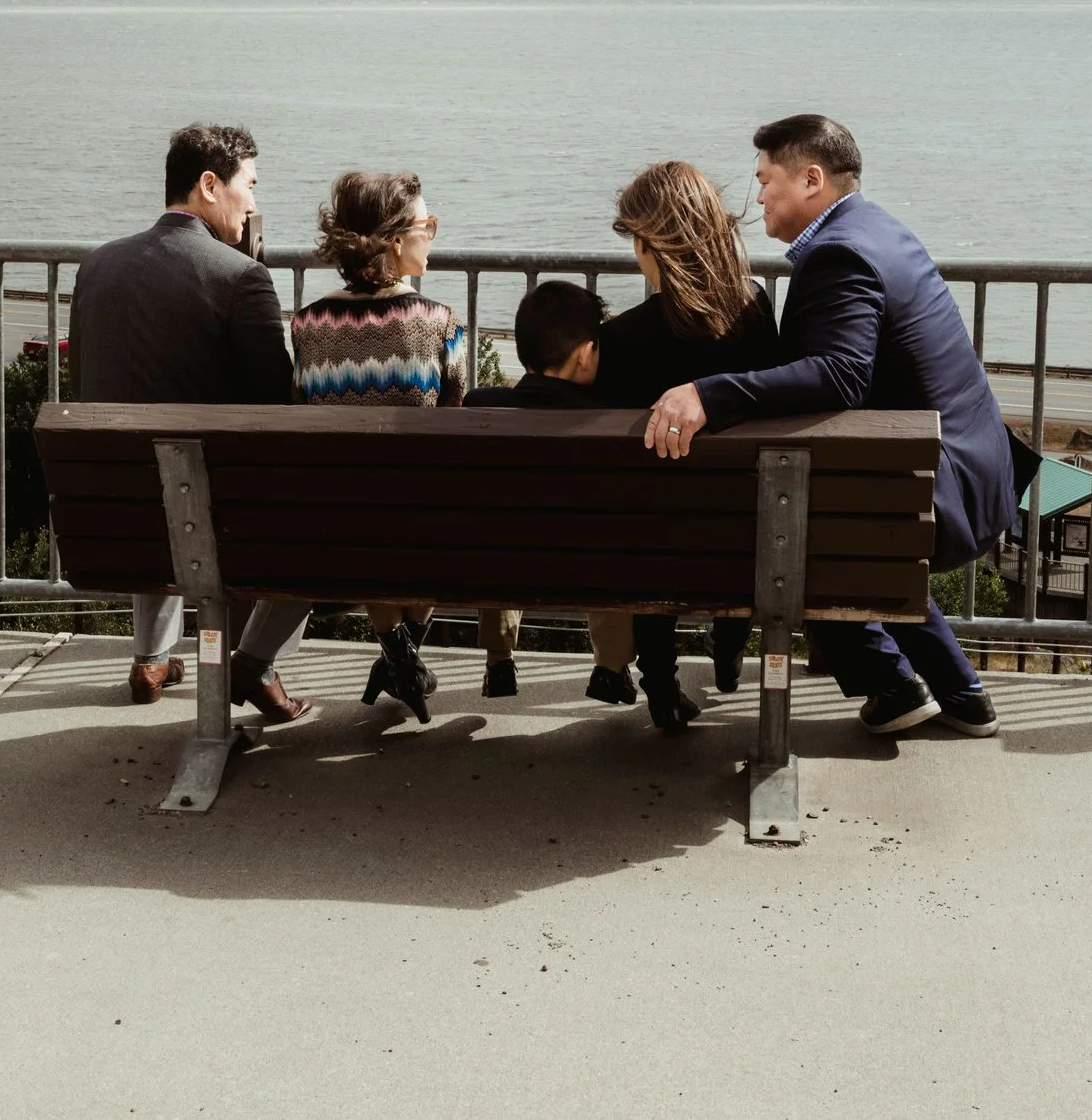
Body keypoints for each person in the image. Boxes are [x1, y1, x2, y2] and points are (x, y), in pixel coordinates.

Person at [643, 115, 1015, 738]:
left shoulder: (838, 253)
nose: (757, 194)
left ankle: (894, 686)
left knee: (793, 533)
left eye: (766, 180)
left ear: (811, 179)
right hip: (972, 462)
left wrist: (709, 394)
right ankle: (960, 691)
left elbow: (840, 374)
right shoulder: (876, 228)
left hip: (937, 485)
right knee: (839, 525)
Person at [67, 122, 312, 721]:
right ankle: (256, 664)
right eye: (249, 185)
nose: (254, 201)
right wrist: (248, 277)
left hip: (111, 522)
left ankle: (153, 656)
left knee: (161, 466)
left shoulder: (96, 266)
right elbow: (275, 405)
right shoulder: (240, 278)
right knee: (272, 505)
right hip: (214, 528)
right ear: (209, 185)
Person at [593, 160, 781, 726]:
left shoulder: (620, 339)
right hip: (742, 531)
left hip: (653, 538)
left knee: (650, 534)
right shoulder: (754, 309)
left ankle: (664, 692)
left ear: (653, 246)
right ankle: (728, 653)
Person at [290, 170, 468, 723]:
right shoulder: (439, 324)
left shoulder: (306, 325)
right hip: (423, 525)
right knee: (429, 506)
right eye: (428, 224)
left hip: (336, 527)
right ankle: (403, 657)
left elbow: (302, 411)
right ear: (393, 240)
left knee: (362, 503)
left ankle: (398, 658)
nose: (434, 234)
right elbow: (455, 417)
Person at [464, 280, 638, 707]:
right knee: (613, 541)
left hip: (504, 563)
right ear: (584, 355)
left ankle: (499, 658)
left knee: (497, 528)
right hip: (590, 569)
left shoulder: (480, 406)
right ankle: (611, 668)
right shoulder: (611, 422)